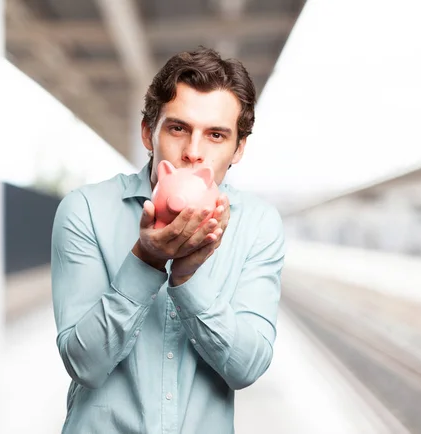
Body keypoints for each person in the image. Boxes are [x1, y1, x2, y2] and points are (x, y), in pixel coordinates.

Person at [51, 47, 286, 434]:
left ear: (238, 149)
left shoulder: (259, 225)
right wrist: (146, 260)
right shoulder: (85, 210)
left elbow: (247, 368)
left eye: (215, 135)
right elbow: (84, 365)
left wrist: (189, 276)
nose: (194, 153)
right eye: (178, 128)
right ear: (149, 133)